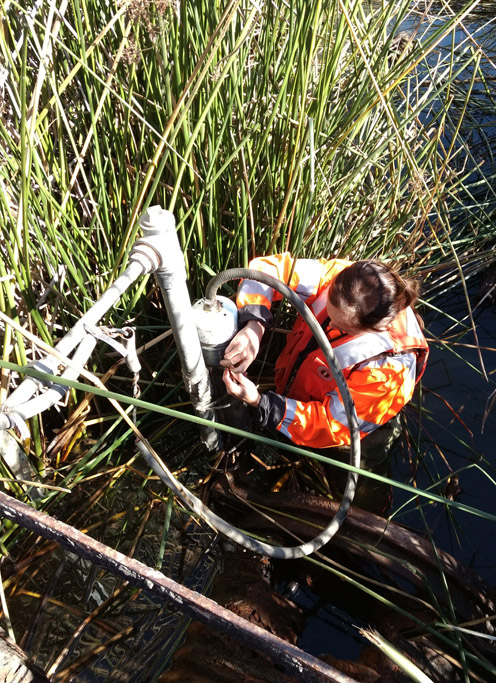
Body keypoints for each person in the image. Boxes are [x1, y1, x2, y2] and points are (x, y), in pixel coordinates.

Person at [220, 253, 429, 453]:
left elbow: (332, 426)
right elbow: (265, 270)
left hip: (348, 438)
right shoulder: (344, 281)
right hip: (297, 402)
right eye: (328, 314)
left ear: (373, 329)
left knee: (343, 474)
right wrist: (254, 327)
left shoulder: (388, 372)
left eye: (342, 328)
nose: (328, 326)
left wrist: (261, 402)